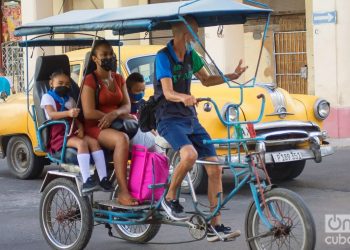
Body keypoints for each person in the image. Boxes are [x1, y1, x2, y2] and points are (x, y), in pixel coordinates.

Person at [154, 16, 247, 241]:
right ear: (183, 34)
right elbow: (167, 92)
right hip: (168, 118)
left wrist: (231, 76)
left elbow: (206, 80)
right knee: (189, 155)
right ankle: (170, 196)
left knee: (215, 168)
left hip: (189, 118)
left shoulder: (191, 56)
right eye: (194, 32)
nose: (196, 37)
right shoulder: (163, 57)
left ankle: (216, 225)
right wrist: (183, 96)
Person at [81, 40, 138, 206]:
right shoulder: (90, 80)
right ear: (94, 59)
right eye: (103, 55)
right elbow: (88, 112)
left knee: (149, 139)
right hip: (96, 125)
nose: (109, 57)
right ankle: (123, 191)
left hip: (115, 121)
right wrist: (110, 116)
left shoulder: (119, 78)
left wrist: (115, 114)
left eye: (110, 54)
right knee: (122, 140)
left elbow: (127, 105)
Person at [40, 70, 113, 193]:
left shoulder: (70, 100)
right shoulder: (47, 97)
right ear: (51, 83)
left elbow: (76, 118)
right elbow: (52, 115)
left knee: (94, 143)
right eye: (60, 83)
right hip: (60, 135)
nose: (64, 86)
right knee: (82, 144)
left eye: (67, 84)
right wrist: (68, 113)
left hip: (72, 131)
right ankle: (87, 181)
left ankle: (103, 179)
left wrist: (80, 127)